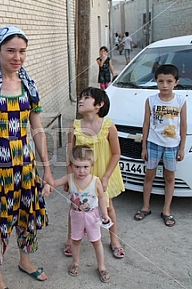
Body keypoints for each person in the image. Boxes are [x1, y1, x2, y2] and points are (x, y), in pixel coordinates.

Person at [0, 25, 55, 289]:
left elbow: (37, 130)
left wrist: (47, 169)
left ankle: (24, 261)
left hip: (25, 165)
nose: (17, 57)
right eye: (11, 51)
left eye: (22, 51)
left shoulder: (29, 85)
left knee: (27, 214)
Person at [63, 87, 125, 259]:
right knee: (75, 206)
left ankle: (114, 241)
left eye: (86, 97)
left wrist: (105, 177)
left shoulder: (108, 126)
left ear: (99, 104)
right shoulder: (74, 127)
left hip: (103, 173)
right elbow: (69, 155)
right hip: (80, 175)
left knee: (108, 206)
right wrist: (69, 178)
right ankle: (71, 239)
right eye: (80, 97)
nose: (81, 100)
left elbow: (116, 153)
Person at [134, 64, 187, 227]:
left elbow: (183, 125)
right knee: (149, 175)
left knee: (169, 177)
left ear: (176, 82)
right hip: (153, 143)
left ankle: (166, 210)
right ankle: (145, 206)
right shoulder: (151, 100)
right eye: (161, 81)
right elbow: (146, 124)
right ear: (156, 82)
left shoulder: (181, 100)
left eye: (169, 81)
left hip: (172, 146)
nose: (165, 85)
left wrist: (182, 147)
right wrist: (144, 147)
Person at [55, 145, 111, 283]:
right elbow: (54, 183)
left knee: (96, 241)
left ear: (92, 165)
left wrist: (104, 214)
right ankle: (75, 262)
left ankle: (101, 266)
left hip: (92, 216)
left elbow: (102, 197)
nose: (81, 171)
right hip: (76, 216)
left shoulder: (95, 181)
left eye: (85, 167)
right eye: (77, 167)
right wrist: (47, 185)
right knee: (76, 240)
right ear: (71, 165)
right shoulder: (69, 178)